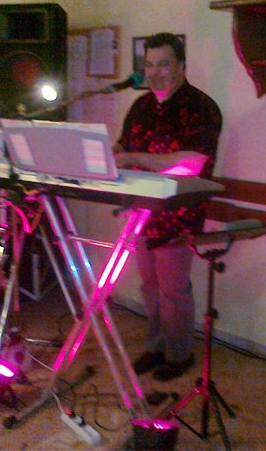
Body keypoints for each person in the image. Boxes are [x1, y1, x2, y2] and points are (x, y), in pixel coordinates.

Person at [113, 33, 222, 381]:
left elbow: (191, 162)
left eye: (163, 64)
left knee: (173, 288)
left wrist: (135, 157)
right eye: (149, 65)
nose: (154, 72)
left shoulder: (201, 107)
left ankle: (178, 354)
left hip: (178, 214)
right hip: (141, 211)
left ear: (181, 66)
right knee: (149, 285)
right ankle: (155, 346)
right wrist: (111, 153)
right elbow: (122, 146)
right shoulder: (140, 107)